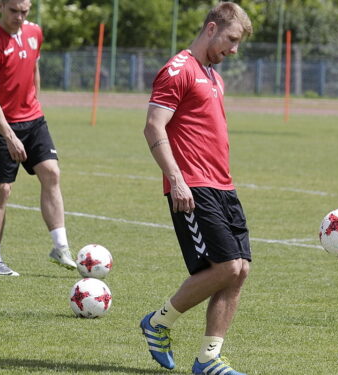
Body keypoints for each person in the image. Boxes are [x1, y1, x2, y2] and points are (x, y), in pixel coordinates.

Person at [139, 3, 253, 375]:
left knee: (240, 270)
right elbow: (154, 127)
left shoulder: (214, 76)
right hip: (193, 185)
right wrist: (176, 180)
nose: (234, 50)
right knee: (226, 266)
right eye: (231, 39)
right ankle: (158, 322)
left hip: (223, 185)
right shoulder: (178, 70)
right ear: (210, 29)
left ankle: (208, 358)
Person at [0, 0, 75, 276]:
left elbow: (33, 71)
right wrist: (9, 136)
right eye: (13, 11)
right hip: (1, 125)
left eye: (24, 11)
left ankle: (60, 247)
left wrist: (36, 105)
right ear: (0, 6)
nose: (19, 17)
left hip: (34, 120)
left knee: (52, 173)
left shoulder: (35, 33)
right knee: (2, 191)